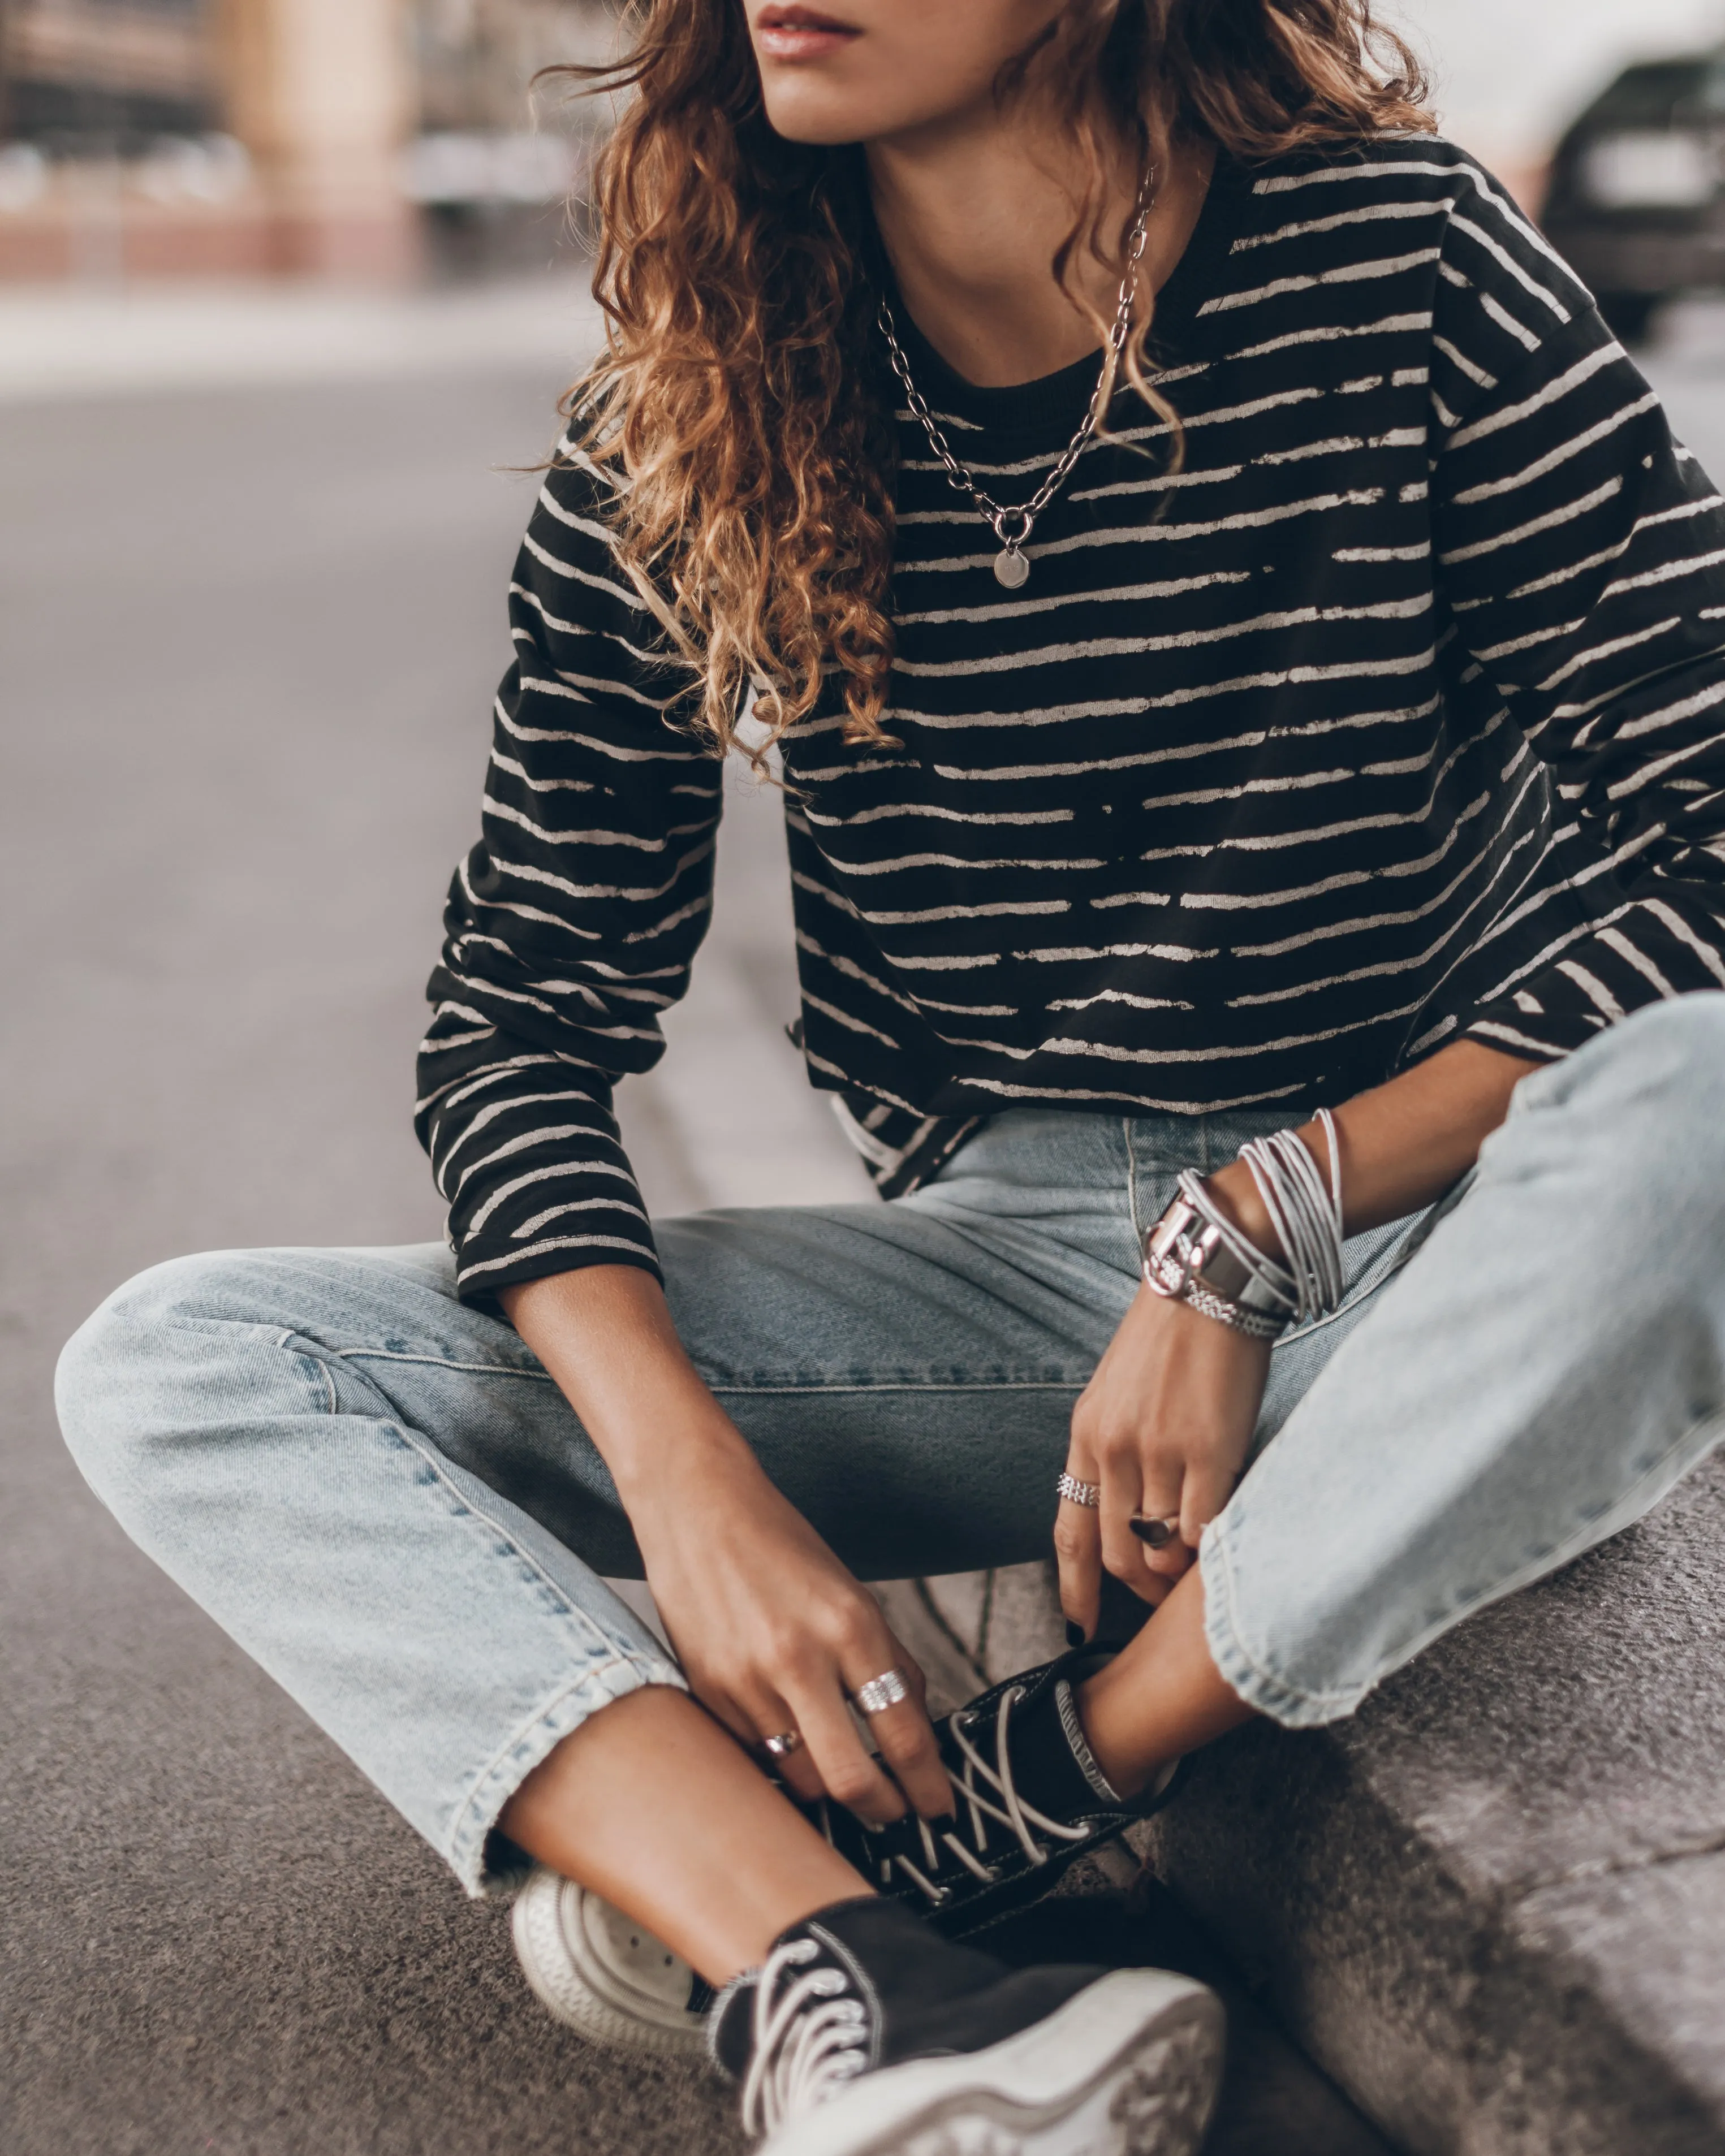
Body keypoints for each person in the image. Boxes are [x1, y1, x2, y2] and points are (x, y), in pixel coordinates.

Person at [55, 1, 1725, 2150]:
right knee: (188, 1358)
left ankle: (1050, 1768)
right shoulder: (698, 401)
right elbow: (523, 1018)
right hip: (1008, 1280)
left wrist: (1261, 1222)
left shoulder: (1391, 268)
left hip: (1435, 1222)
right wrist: (694, 1490)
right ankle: (855, 1967)